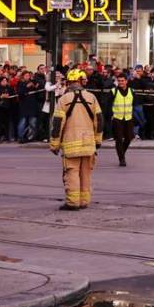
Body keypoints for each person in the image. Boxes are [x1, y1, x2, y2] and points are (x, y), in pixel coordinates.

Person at [49, 69, 102, 211]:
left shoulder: (63, 99)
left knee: (72, 172)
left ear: (70, 82)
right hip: (89, 144)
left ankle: (73, 202)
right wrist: (98, 140)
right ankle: (84, 201)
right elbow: (99, 121)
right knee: (85, 173)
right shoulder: (92, 98)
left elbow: (57, 123)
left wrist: (54, 144)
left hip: (71, 144)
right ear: (80, 81)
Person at [111, 73, 135, 167]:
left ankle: (122, 153)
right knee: (119, 139)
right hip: (117, 118)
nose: (120, 82)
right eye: (119, 81)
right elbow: (108, 104)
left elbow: (135, 103)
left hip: (128, 118)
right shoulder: (113, 91)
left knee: (129, 138)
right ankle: (122, 159)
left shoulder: (132, 91)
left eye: (122, 81)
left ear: (126, 81)